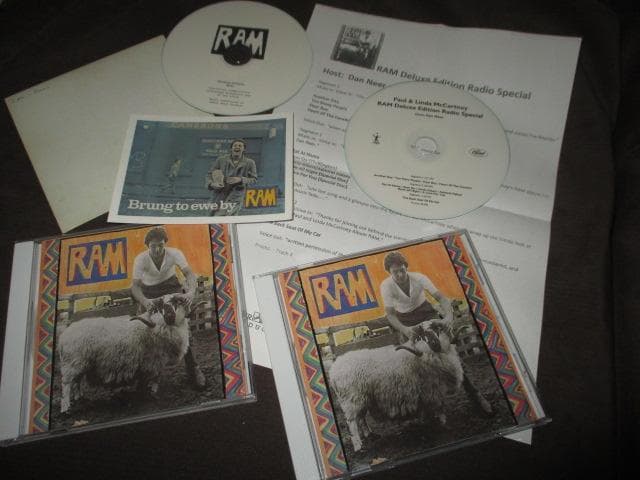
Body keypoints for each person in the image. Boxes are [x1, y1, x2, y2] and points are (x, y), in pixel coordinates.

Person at [380, 250, 494, 416]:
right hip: (405, 322)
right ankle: (431, 409)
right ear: (389, 272)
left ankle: (475, 394)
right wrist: (405, 330)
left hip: (426, 313)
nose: (399, 275)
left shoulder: (419, 277)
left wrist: (448, 317)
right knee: (415, 362)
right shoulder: (386, 286)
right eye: (394, 272)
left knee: (447, 352)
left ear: (406, 267)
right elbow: (390, 315)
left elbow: (442, 299)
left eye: (402, 270)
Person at [130, 226, 206, 390]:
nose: (157, 249)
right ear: (147, 246)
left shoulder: (175, 253)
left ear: (165, 244)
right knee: (145, 332)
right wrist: (145, 301)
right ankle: (147, 377)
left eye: (161, 245)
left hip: (171, 287)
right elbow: (135, 287)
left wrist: (190, 292)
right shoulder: (141, 259)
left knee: (181, 328)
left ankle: (193, 369)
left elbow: (189, 274)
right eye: (153, 246)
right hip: (149, 292)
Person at [205, 139, 257, 216]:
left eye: (240, 146)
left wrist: (240, 179)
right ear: (231, 148)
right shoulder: (221, 160)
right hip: (219, 192)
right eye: (235, 145)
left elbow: (254, 179)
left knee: (226, 215)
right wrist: (212, 184)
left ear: (244, 149)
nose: (237, 147)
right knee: (211, 214)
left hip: (236, 194)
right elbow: (210, 174)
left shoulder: (250, 163)